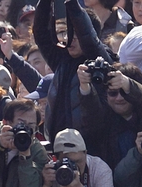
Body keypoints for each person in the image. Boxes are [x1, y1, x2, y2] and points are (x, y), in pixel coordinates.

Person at [33, 0, 109, 139]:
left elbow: (88, 39)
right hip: (59, 144)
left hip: (89, 146)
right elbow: (41, 33)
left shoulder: (101, 60)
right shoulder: (62, 60)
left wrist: (71, 3)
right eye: (67, 32)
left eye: (76, 33)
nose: (70, 39)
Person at [77, 60, 142, 183]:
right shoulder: (103, 120)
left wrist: (128, 84)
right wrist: (84, 86)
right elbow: (91, 114)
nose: (119, 98)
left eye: (124, 93)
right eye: (113, 93)